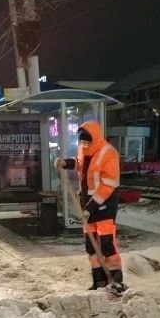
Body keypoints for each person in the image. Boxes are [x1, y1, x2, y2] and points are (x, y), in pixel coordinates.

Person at [55, 121, 126, 295]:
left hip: (104, 208)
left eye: (87, 142)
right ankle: (99, 282)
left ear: (95, 138)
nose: (84, 144)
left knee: (107, 246)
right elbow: (80, 164)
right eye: (82, 142)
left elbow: (108, 185)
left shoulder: (109, 153)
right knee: (91, 246)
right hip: (87, 206)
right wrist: (66, 163)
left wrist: (90, 207)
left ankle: (116, 282)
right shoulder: (83, 148)